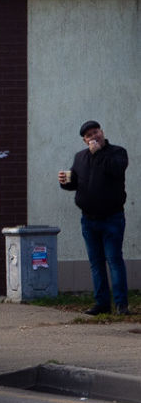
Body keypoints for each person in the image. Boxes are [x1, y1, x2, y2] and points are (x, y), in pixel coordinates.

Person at [59, 119, 128, 316]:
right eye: (89, 135)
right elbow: (75, 183)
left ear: (102, 132)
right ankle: (101, 304)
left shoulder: (117, 153)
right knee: (96, 263)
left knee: (114, 260)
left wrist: (98, 153)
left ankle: (122, 305)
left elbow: (116, 170)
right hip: (88, 220)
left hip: (112, 218)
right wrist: (64, 182)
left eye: (96, 132)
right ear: (84, 140)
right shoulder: (80, 158)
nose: (93, 137)